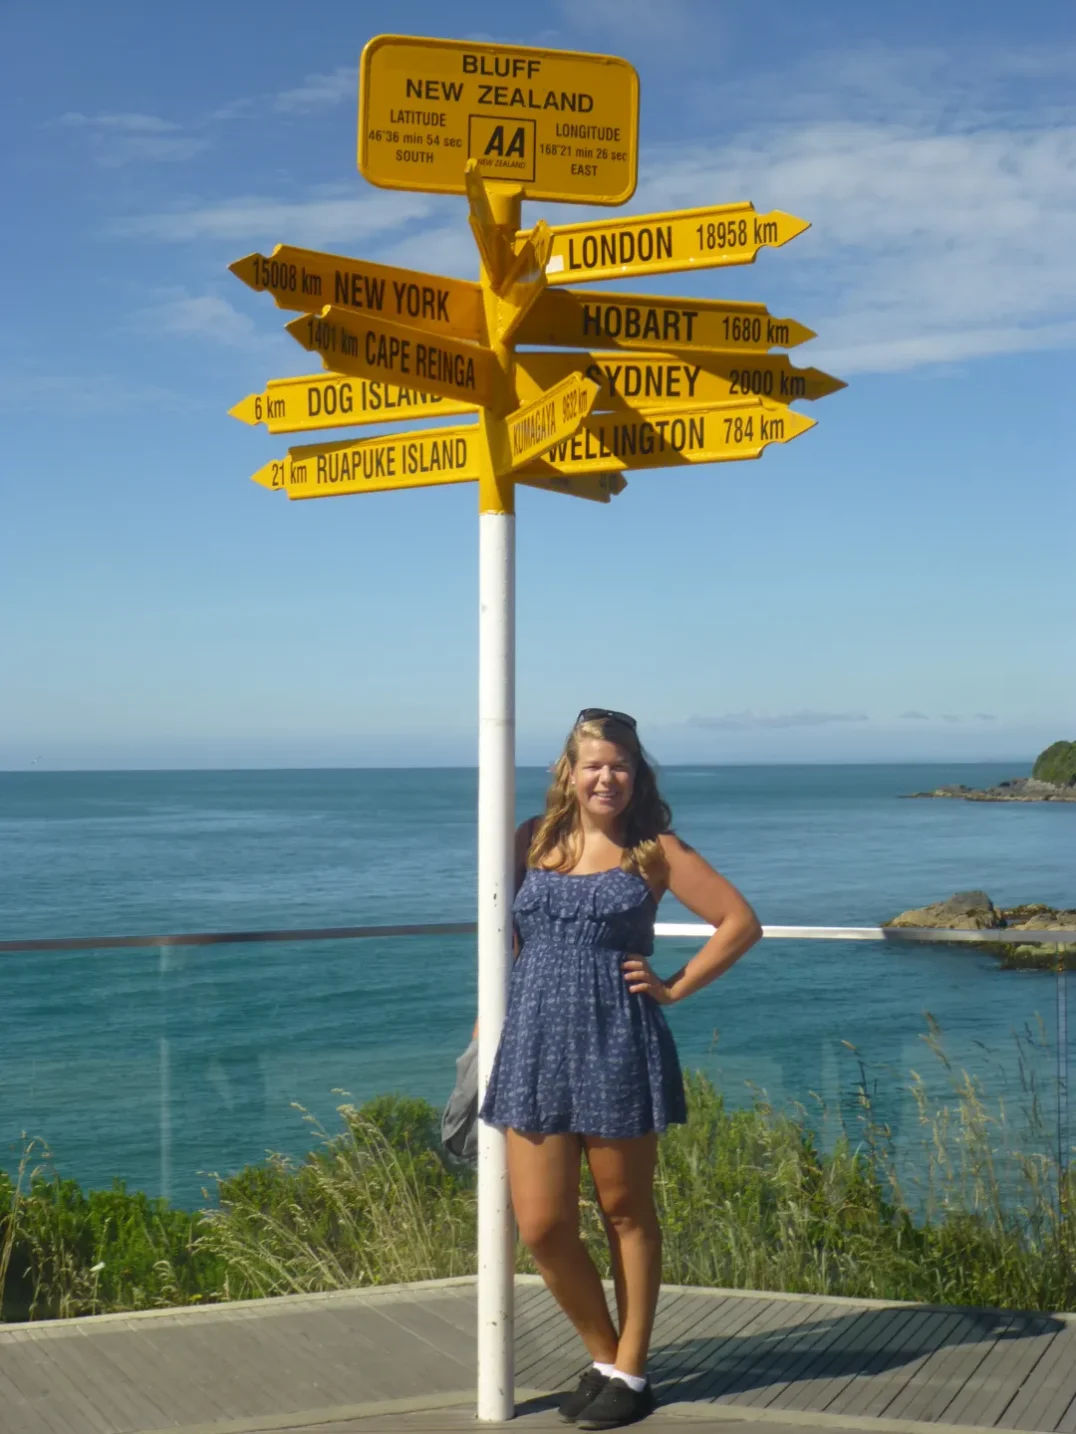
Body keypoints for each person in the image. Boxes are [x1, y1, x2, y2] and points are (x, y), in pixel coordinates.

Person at [478, 709, 762, 1429]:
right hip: (536, 1042)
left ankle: (632, 1369)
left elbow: (738, 922)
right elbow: (507, 941)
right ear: (568, 774)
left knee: (625, 1212)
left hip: (616, 1038)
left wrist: (674, 985)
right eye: (594, 764)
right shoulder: (529, 841)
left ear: (638, 775)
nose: (608, 777)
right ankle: (607, 1357)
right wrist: (488, 1019)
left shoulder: (654, 849)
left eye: (621, 765)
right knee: (541, 1225)